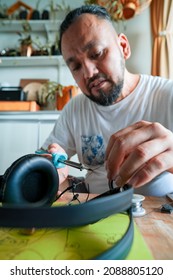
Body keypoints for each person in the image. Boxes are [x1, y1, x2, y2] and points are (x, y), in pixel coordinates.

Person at [42, 4, 173, 196]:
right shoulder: (75, 109)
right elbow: (48, 160)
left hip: (156, 216)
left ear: (123, 47)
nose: (88, 73)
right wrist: (51, 170)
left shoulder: (167, 95)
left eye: (96, 54)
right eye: (76, 66)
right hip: (94, 215)